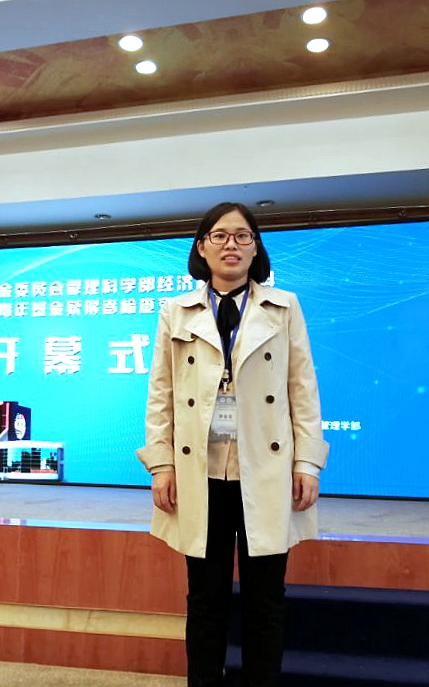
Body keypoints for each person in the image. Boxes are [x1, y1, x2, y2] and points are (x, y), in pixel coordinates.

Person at [137, 201, 329, 687]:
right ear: (202, 247)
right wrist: (161, 465)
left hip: (266, 469)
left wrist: (308, 462)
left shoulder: (284, 307)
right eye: (220, 236)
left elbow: (302, 387)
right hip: (200, 472)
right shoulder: (175, 312)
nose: (232, 245)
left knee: (266, 598)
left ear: (256, 248)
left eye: (243, 236)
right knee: (205, 599)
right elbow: (161, 393)